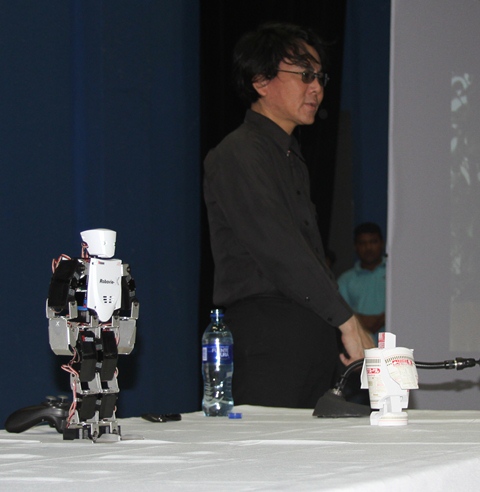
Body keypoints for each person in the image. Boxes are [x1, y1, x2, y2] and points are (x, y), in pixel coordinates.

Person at [203, 22, 373, 409]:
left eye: (320, 77)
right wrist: (348, 321)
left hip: (309, 332)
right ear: (261, 81)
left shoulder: (289, 156)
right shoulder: (239, 153)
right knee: (270, 447)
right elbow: (279, 246)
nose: (317, 88)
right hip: (269, 336)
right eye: (305, 75)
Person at [337, 222, 386, 345]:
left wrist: (383, 319)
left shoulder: (396, 274)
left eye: (373, 242)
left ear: (382, 243)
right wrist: (360, 320)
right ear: (355, 246)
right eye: (362, 243)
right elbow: (339, 313)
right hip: (358, 347)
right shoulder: (345, 280)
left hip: (396, 346)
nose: (368, 248)